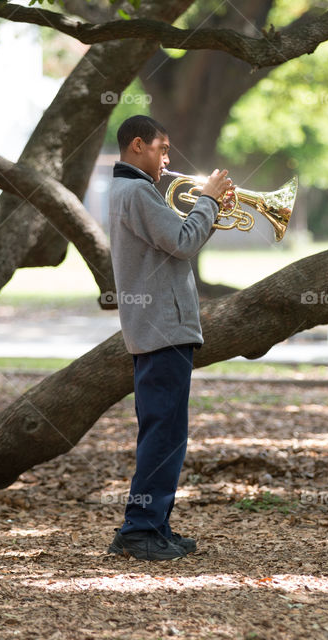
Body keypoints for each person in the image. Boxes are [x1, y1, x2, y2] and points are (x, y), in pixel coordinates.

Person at [106, 115, 232, 561]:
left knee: (165, 434)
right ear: (137, 146)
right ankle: (139, 530)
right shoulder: (138, 191)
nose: (167, 159)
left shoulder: (130, 191)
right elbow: (183, 242)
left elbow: (178, 242)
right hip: (163, 330)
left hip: (157, 329)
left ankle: (154, 525)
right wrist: (209, 202)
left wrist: (208, 208)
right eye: (162, 149)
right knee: (163, 436)